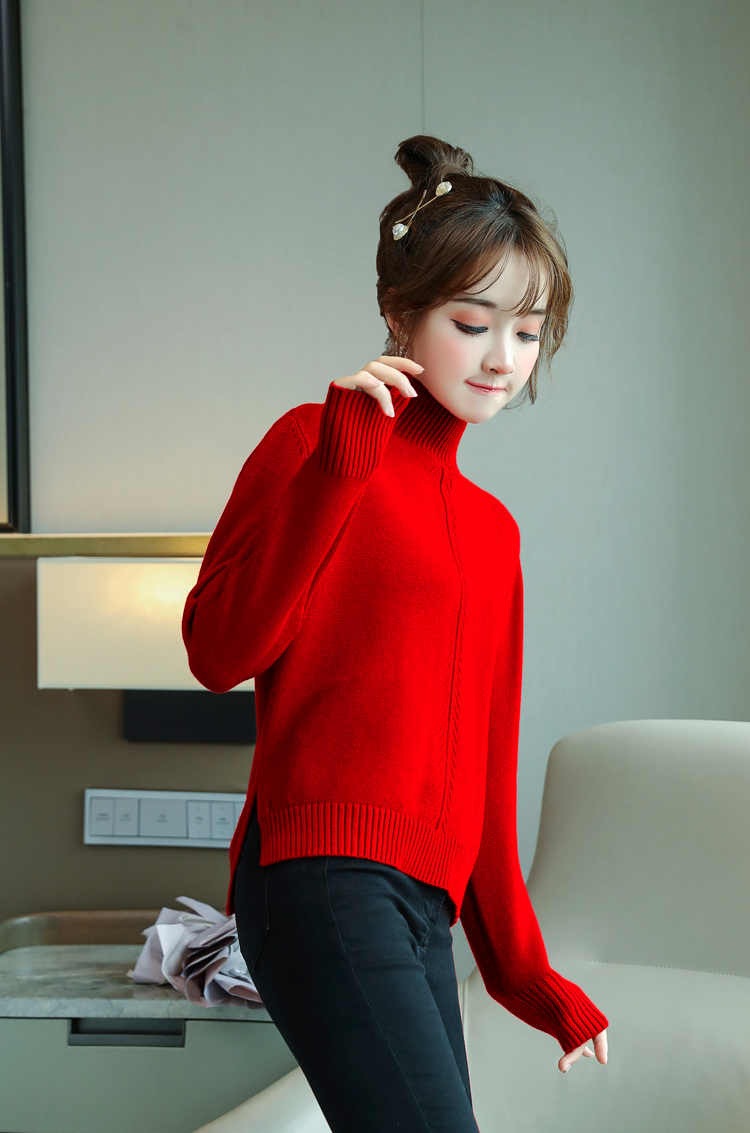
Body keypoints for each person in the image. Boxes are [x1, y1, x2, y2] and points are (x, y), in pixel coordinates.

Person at [182, 134, 609, 1132]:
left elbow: (483, 773)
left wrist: (526, 973)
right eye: (472, 323)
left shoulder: (495, 533)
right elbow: (218, 651)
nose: (503, 359)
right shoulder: (311, 442)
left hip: (425, 906)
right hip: (319, 874)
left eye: (528, 332)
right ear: (398, 313)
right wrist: (337, 472)